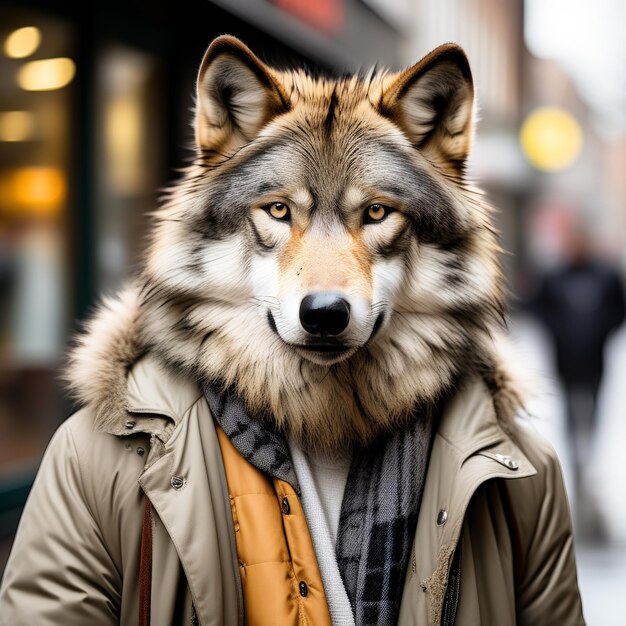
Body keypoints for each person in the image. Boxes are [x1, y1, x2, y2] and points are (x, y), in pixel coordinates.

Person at [0, 36, 584, 625]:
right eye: (279, 211)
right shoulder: (99, 459)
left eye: (375, 213)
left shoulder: (514, 475)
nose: (325, 289)